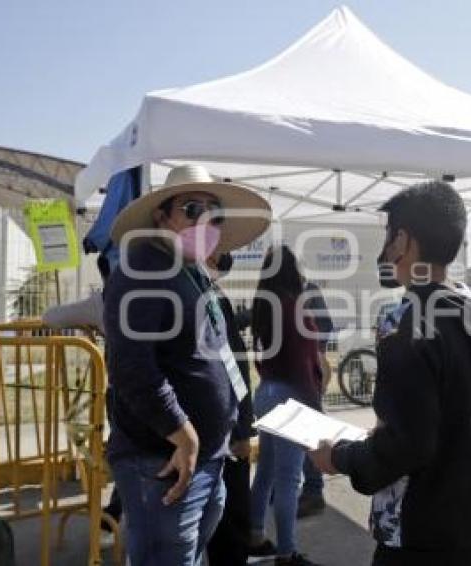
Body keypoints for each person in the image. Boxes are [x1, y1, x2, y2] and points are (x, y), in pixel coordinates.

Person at [308, 181, 471, 566]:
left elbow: (407, 446)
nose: (383, 250)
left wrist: (340, 458)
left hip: (421, 535)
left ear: (401, 240)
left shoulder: (403, 322)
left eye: (387, 236)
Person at [103, 164, 271, 566]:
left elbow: (217, 356)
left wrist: (232, 422)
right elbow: (131, 366)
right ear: (161, 215)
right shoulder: (142, 268)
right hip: (162, 461)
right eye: (192, 208)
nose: (205, 220)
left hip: (205, 460)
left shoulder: (190, 272)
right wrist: (182, 432)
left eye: (215, 213)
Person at [249, 245, 322, 566]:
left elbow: (265, 356)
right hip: (291, 395)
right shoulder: (294, 307)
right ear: (292, 271)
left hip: (266, 393)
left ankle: (253, 534)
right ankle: (287, 552)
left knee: (265, 471)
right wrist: (314, 405)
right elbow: (302, 362)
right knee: (289, 479)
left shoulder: (264, 305)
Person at [206, 251, 255, 566]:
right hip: (214, 430)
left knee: (227, 515)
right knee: (226, 516)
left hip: (223, 425)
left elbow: (234, 364)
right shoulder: (201, 294)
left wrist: (243, 425)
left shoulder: (210, 295)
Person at [297, 281, 334, 519]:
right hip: (289, 372)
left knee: (308, 430)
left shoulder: (308, 290)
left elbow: (325, 325)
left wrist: (312, 351)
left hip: (310, 370)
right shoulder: (278, 292)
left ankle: (313, 491)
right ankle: (290, 487)